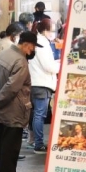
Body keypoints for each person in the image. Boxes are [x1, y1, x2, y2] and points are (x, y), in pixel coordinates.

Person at [0, 31, 42, 172]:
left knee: (3, 146)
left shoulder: (2, 54)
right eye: (33, 47)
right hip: (13, 110)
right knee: (11, 148)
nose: (33, 51)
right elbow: (12, 87)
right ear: (27, 44)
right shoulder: (21, 61)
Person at [29, 20, 59, 154]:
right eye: (51, 30)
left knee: (37, 114)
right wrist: (62, 65)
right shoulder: (41, 44)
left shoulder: (39, 42)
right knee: (39, 115)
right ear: (45, 30)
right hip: (41, 83)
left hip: (37, 82)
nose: (53, 33)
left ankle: (35, 142)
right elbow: (48, 66)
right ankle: (39, 144)